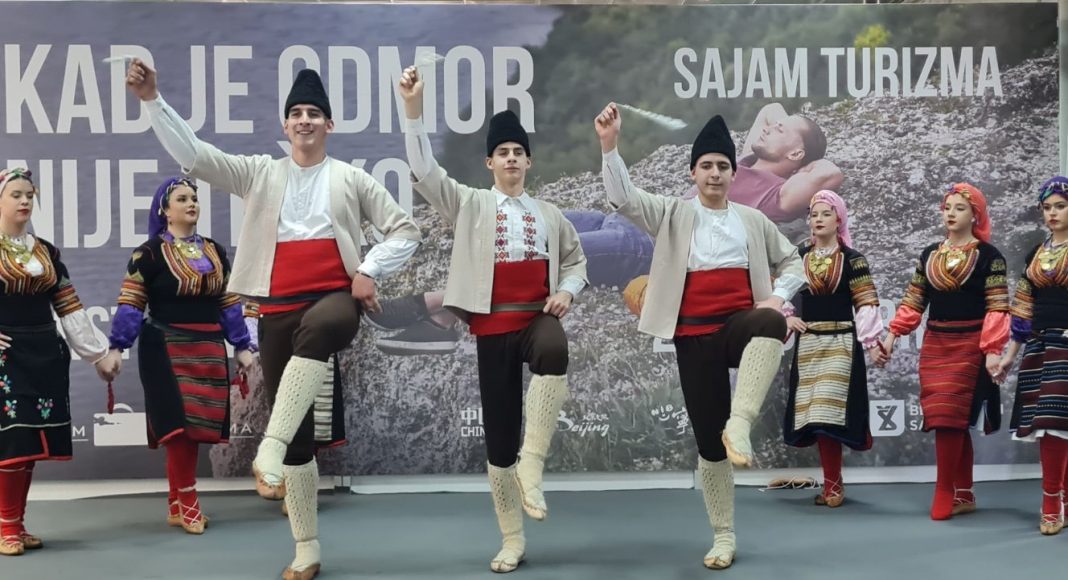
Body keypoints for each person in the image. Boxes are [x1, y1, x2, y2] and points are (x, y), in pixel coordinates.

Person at [127, 60, 421, 579]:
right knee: (302, 438)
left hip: (334, 297)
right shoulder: (261, 173)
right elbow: (195, 155)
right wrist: (152, 99)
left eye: (314, 113)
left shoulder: (351, 178)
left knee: (322, 329)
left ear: (329, 124)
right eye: (297, 113)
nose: (305, 120)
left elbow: (405, 230)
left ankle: (270, 445)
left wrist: (368, 270)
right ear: (285, 125)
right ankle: (306, 547)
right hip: (277, 308)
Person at [595, 102, 802, 569]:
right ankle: (723, 535)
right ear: (693, 172)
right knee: (709, 442)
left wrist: (777, 296)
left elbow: (794, 261)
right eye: (706, 165)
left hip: (737, 325)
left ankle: (741, 422)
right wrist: (610, 146)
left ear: (733, 173)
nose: (714, 173)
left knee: (771, 323)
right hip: (693, 336)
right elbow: (624, 199)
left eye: (723, 166)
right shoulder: (673, 213)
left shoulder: (751, 220)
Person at [400, 66, 587, 573]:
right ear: (489, 162)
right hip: (492, 327)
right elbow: (425, 173)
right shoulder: (471, 203)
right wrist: (413, 111)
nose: (511, 158)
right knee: (500, 437)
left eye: (518, 152)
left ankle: (534, 465)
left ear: (528, 161)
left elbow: (575, 261)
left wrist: (566, 290)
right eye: (502, 152)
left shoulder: (549, 213)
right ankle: (511, 537)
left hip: (535, 318)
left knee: (554, 349)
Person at [99, 177, 256, 534]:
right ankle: (188, 502)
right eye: (182, 199)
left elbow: (228, 301)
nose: (191, 203)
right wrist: (118, 346)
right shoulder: (148, 254)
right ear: (165, 211)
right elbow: (131, 303)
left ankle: (175, 502)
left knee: (197, 427)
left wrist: (242, 345)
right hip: (165, 346)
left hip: (208, 347)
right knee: (179, 429)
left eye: (194, 198)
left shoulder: (215, 250)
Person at [880, 183, 1008, 521]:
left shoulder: (990, 257)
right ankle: (963, 492)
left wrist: (992, 349)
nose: (951, 213)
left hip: (970, 343)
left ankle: (943, 489)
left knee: (952, 415)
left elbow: (997, 306)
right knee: (947, 417)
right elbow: (914, 300)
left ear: (975, 215)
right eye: (947, 207)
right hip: (936, 342)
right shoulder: (929, 255)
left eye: (959, 208)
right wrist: (892, 336)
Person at [0, 168, 110, 556]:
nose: (25, 201)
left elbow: (68, 305)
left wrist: (98, 354)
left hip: (45, 352)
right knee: (13, 440)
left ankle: (15, 522)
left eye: (29, 195)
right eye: (16, 194)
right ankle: (5, 526)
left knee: (31, 443)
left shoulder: (46, 251)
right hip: (6, 355)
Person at [782, 190, 886, 508]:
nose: (818, 219)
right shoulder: (799, 257)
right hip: (809, 344)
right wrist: (787, 318)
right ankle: (832, 484)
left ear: (839, 219)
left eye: (825, 213)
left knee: (829, 412)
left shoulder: (853, 260)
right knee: (815, 414)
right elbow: (781, 292)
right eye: (813, 214)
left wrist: (872, 344)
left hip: (841, 342)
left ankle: (833, 486)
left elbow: (866, 302)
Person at [995, 176, 1068, 535]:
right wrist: (1010, 355)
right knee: (1049, 426)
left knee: (1059, 425)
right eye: (1047, 207)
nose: (1052, 213)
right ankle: (1052, 499)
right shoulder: (1035, 255)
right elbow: (1022, 309)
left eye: (1061, 206)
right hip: (1040, 345)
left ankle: (1056, 500)